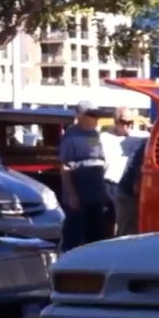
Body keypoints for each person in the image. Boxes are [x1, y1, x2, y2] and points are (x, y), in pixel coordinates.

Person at [58, 101, 109, 252]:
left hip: (96, 196)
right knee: (73, 237)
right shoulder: (70, 137)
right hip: (79, 197)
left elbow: (100, 162)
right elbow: (64, 167)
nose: (96, 118)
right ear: (80, 116)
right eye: (91, 115)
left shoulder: (96, 135)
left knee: (96, 238)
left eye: (96, 115)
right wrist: (72, 196)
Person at [100, 107, 149, 237]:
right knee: (108, 224)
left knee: (127, 226)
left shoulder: (142, 137)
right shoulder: (104, 138)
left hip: (127, 187)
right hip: (110, 184)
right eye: (123, 122)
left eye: (130, 123)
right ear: (116, 121)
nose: (127, 127)